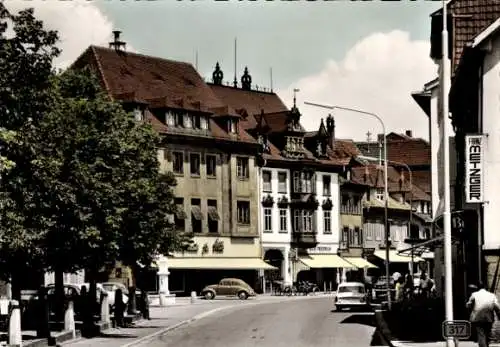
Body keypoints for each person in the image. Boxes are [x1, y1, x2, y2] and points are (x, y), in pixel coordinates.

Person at [466, 282, 500, 347]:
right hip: (489, 318)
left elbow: (468, 305)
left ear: (478, 288)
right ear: (486, 288)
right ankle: (486, 345)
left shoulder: (474, 294)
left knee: (481, 334)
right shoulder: (492, 295)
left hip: (477, 317)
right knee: (487, 333)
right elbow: (497, 306)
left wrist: (471, 307)